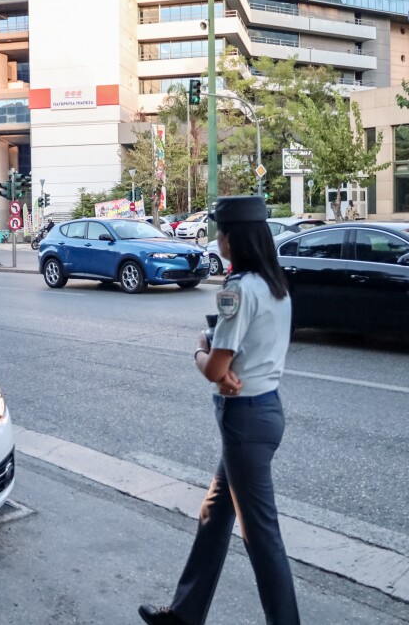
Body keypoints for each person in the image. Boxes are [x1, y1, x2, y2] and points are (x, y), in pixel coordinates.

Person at [139, 195, 299, 625]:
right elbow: (244, 357)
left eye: (221, 232)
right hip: (266, 410)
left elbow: (214, 369)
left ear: (234, 238)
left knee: (260, 535)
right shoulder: (275, 284)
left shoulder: (238, 290)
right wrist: (225, 367)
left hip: (244, 419)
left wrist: (200, 348)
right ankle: (185, 613)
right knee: (215, 512)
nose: (217, 238)